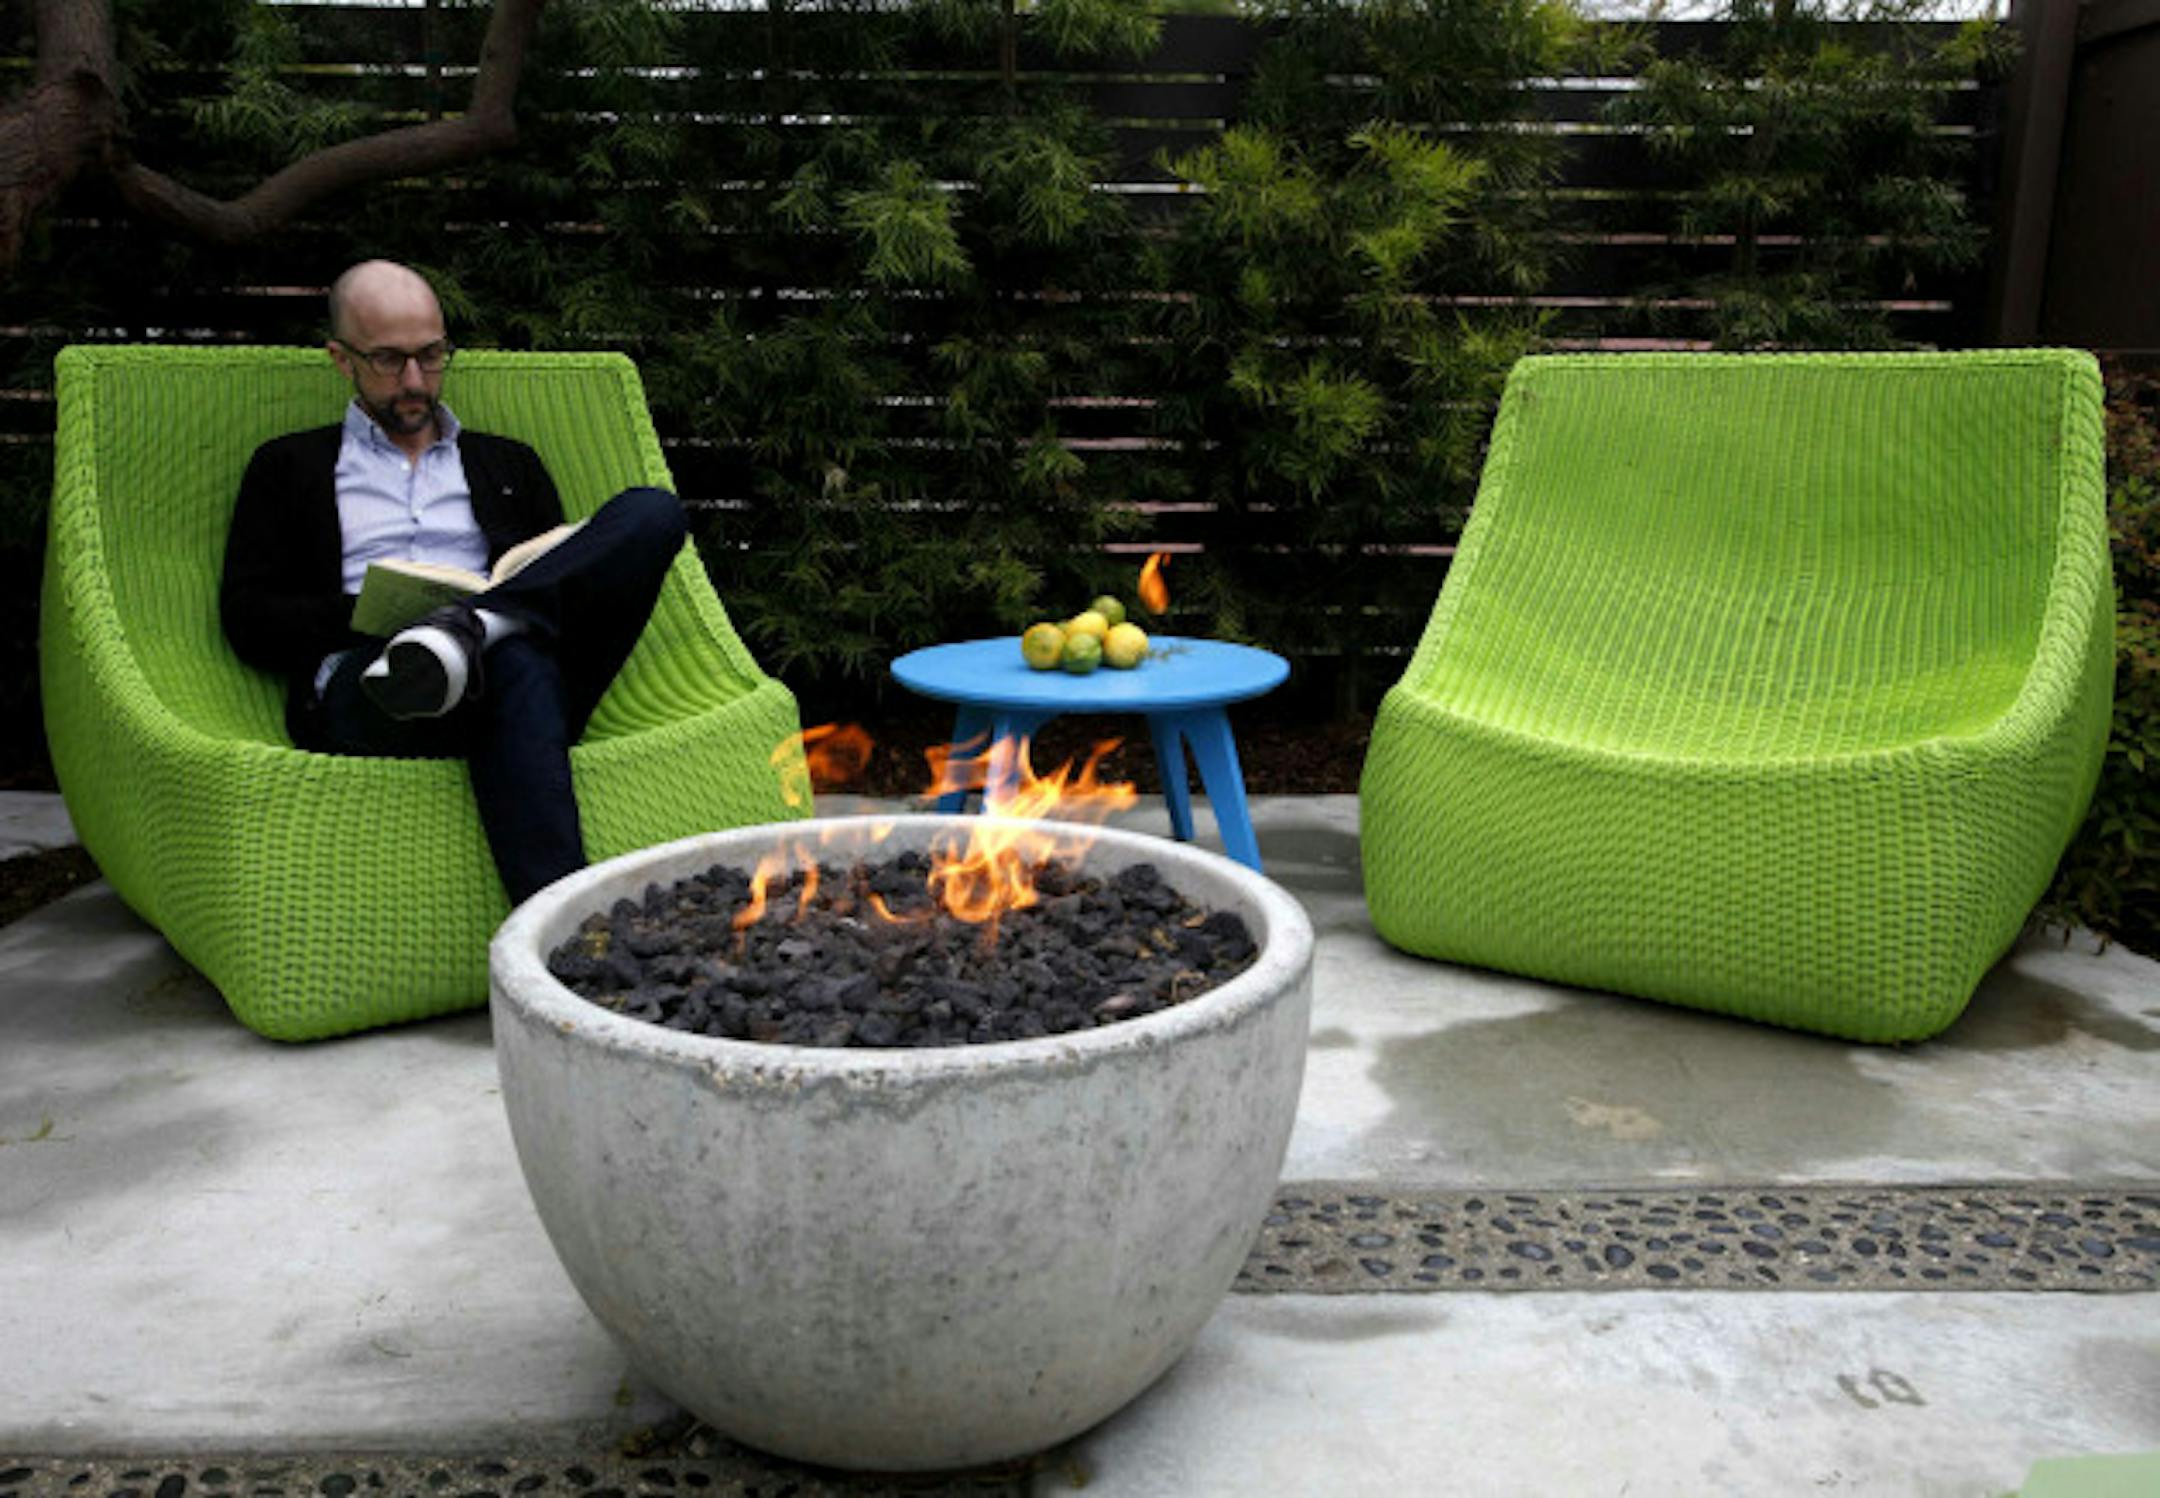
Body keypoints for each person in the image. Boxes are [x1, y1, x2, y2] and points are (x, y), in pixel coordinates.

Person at [220, 259, 688, 905]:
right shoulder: (288, 467)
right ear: (340, 358)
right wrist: (374, 616)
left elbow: (558, 587)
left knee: (652, 512)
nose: (415, 381)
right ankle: (566, 931)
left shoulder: (509, 463)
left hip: (521, 670)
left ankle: (472, 627)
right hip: (378, 688)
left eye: (431, 355)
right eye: (388, 359)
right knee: (516, 662)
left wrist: (484, 612)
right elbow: (248, 619)